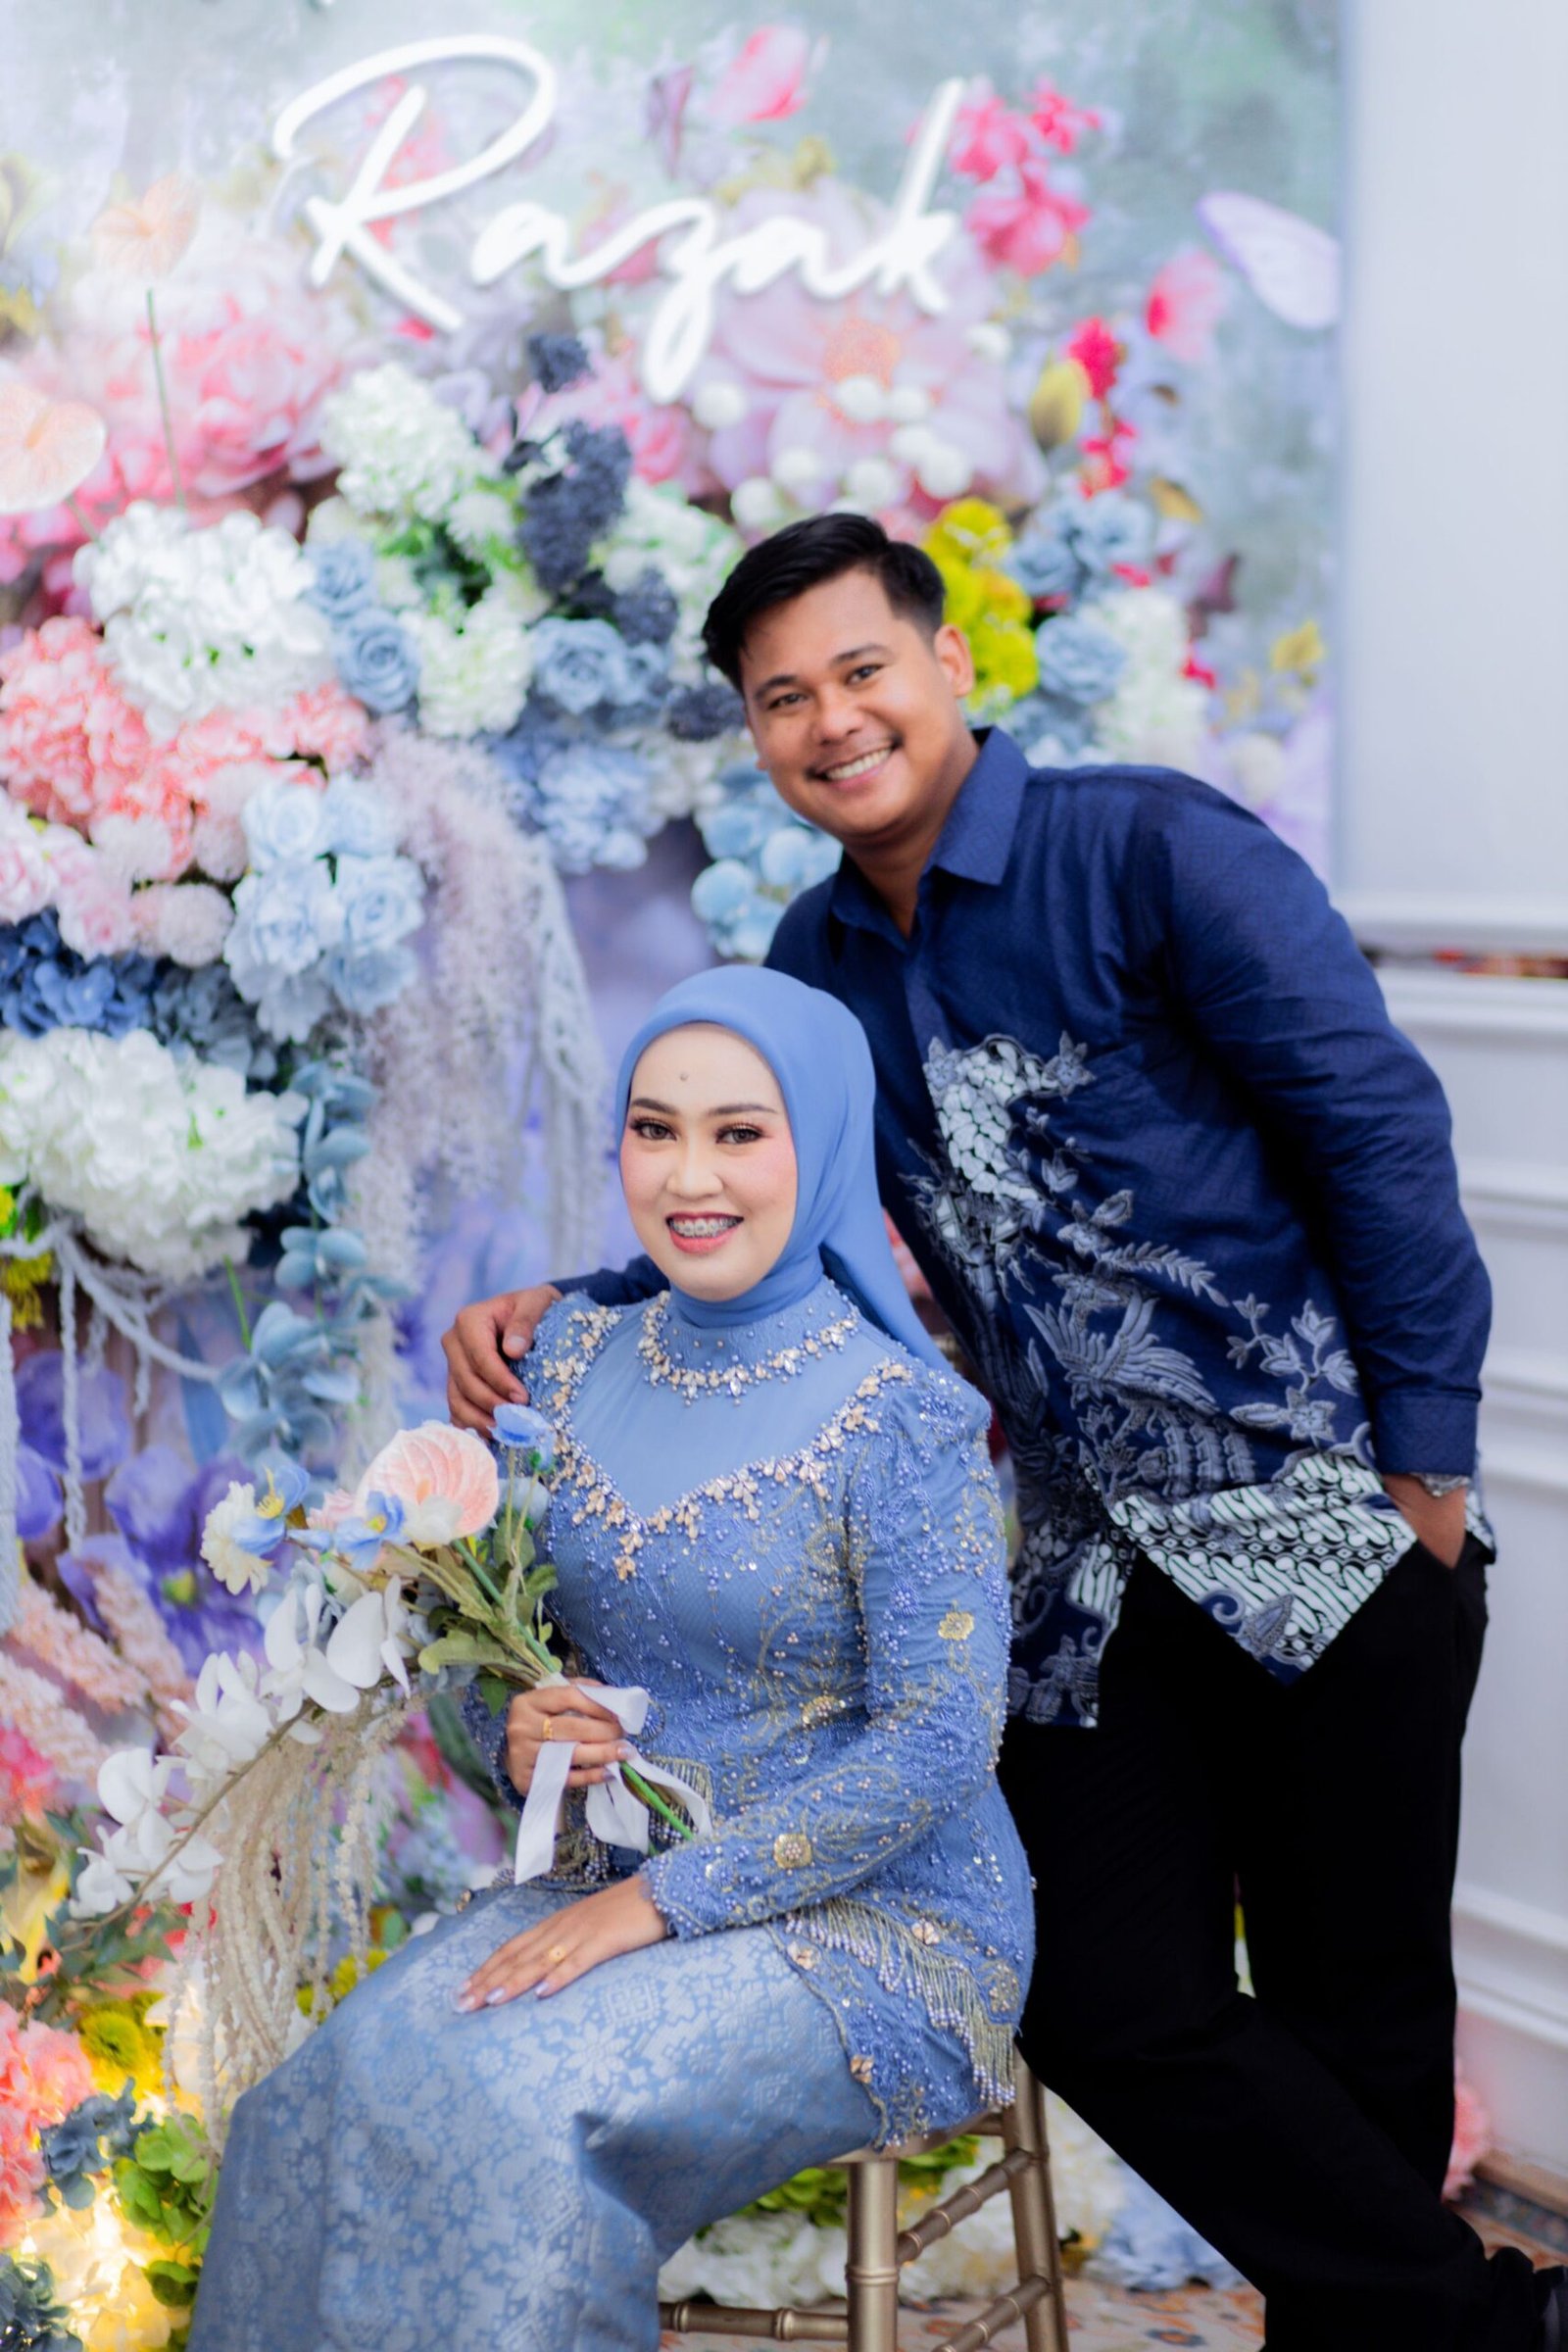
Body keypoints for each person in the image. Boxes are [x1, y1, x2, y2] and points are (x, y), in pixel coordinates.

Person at [444, 515, 1567, 2352]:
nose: (832, 721)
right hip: (1085, 1577)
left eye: (860, 670)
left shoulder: (1152, 850)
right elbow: (787, 1214)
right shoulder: (815, 960)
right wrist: (570, 1310)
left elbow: (1379, 1131)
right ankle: (1487, 2330)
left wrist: (1423, 1486)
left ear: (948, 662)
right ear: (755, 733)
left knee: (1356, 2004)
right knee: (1097, 1984)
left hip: (1322, 1520)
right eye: (782, 698)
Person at [189, 965, 1033, 2352]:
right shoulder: (566, 1361)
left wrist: (665, 1902)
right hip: (607, 1876)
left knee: (519, 2108)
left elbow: (940, 1743)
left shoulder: (903, 1421)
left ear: (823, 1142)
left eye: (739, 1133)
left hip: (879, 1926)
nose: (690, 1177)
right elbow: (485, 1651)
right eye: (655, 1129)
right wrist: (517, 1730)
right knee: (322, 2096)